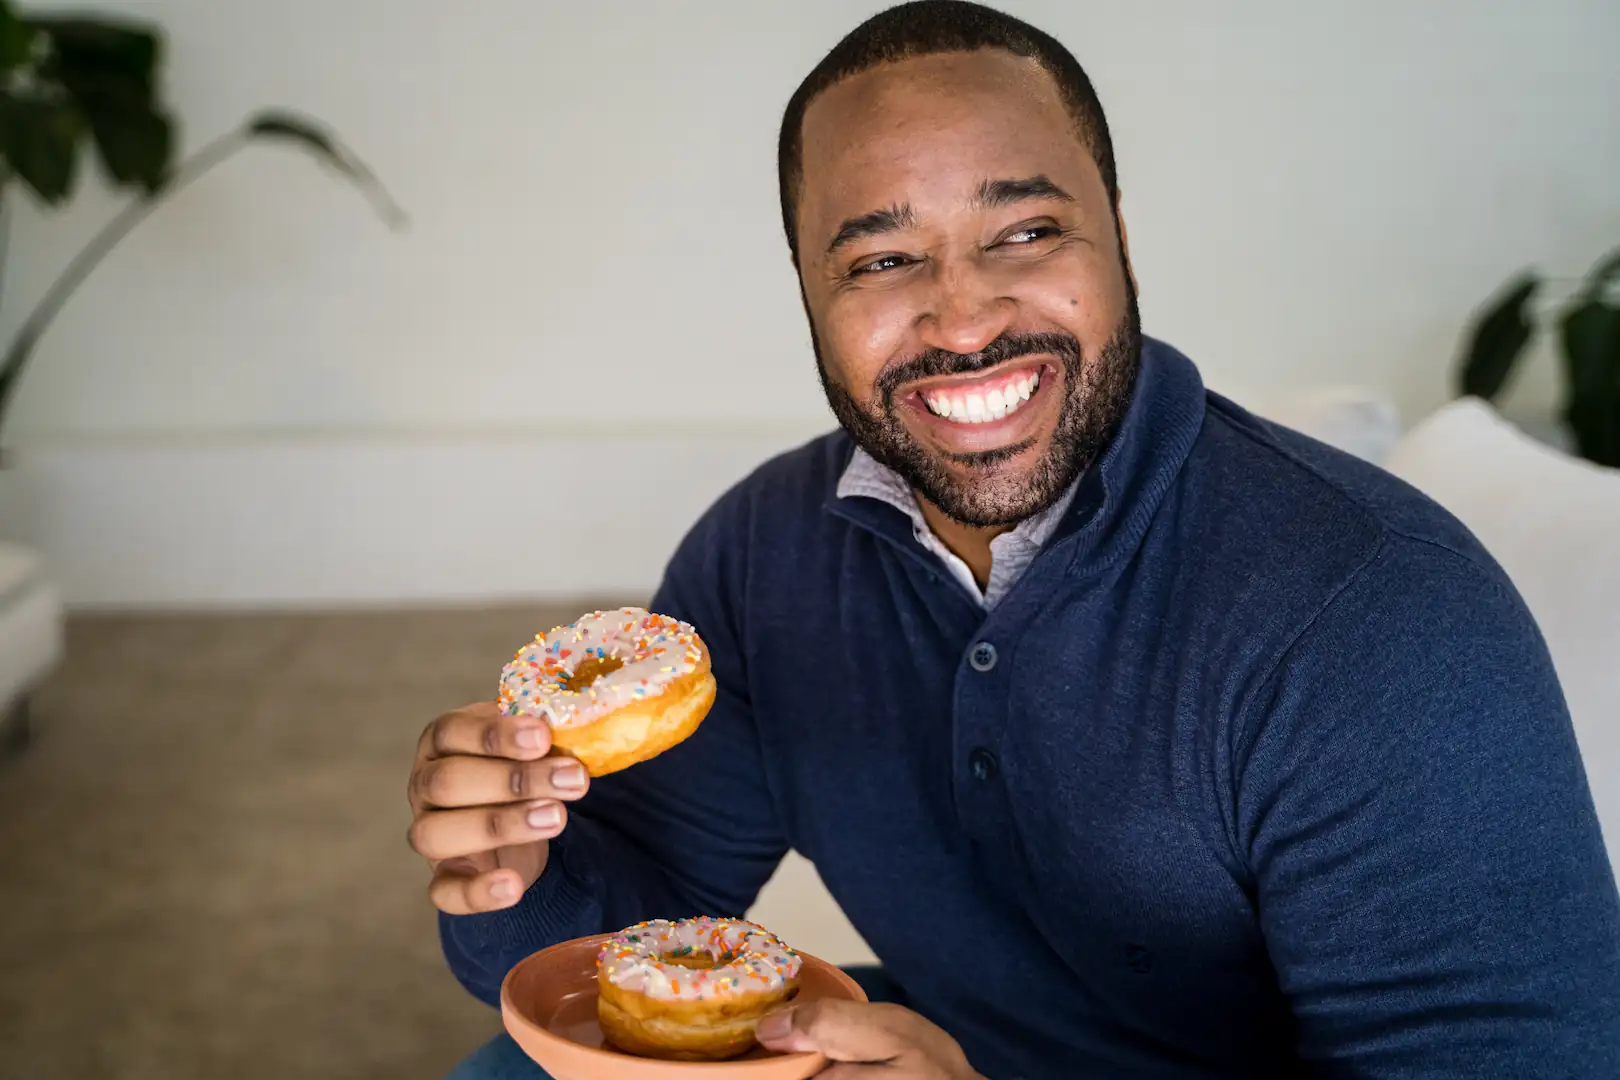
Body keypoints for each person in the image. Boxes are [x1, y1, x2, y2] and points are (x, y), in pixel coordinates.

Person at [408, 3, 1620, 1077]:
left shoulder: (1378, 616)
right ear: (809, 297)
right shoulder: (762, 552)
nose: (964, 315)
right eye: (881, 258)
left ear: (1122, 237)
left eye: (1026, 233)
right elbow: (617, 960)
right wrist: (516, 871)